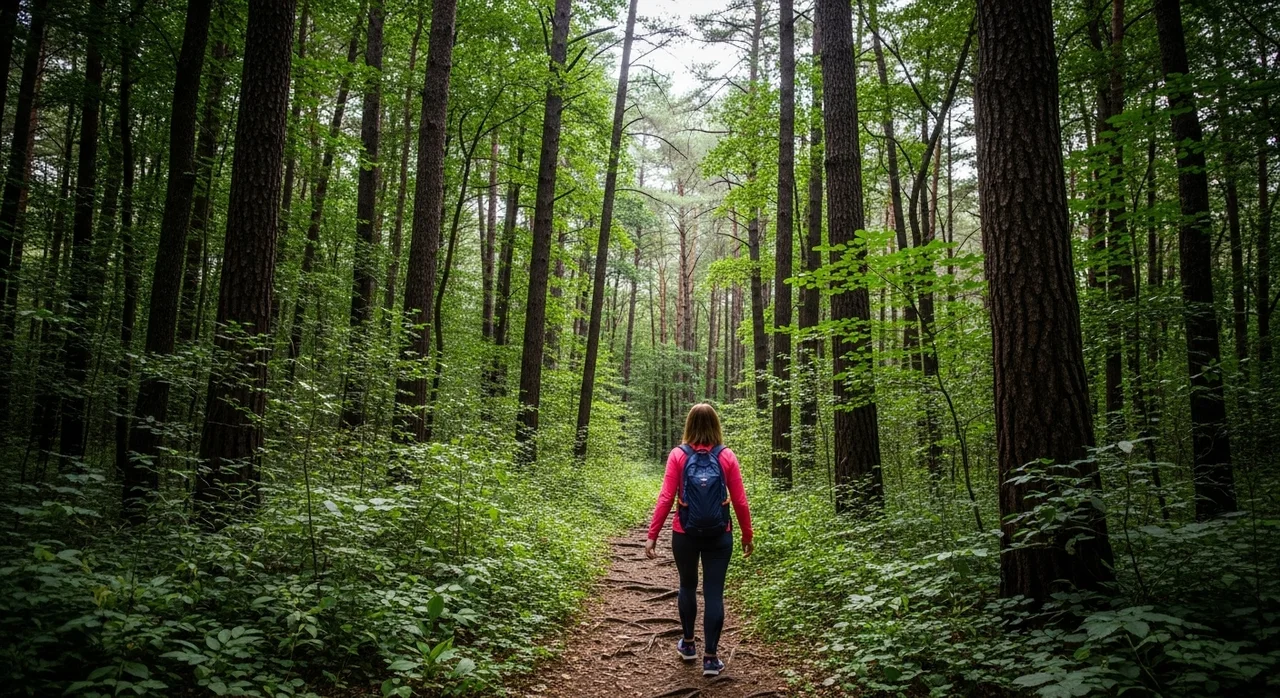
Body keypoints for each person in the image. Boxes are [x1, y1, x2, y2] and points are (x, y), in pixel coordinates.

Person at [644, 403, 753, 677]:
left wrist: (652, 535)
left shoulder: (678, 456)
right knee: (714, 593)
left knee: (687, 586)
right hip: (720, 534)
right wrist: (747, 535)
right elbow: (739, 500)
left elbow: (666, 497)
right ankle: (711, 658)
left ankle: (689, 644)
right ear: (716, 425)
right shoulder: (727, 456)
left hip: (685, 533)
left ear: (689, 425)